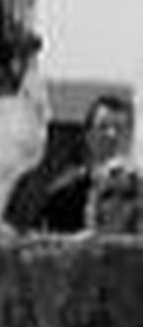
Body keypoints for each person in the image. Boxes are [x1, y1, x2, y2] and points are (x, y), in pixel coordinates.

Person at [39, 92, 135, 233]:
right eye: (103, 127)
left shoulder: (138, 189)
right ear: (88, 136)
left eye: (120, 129)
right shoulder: (63, 194)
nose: (112, 135)